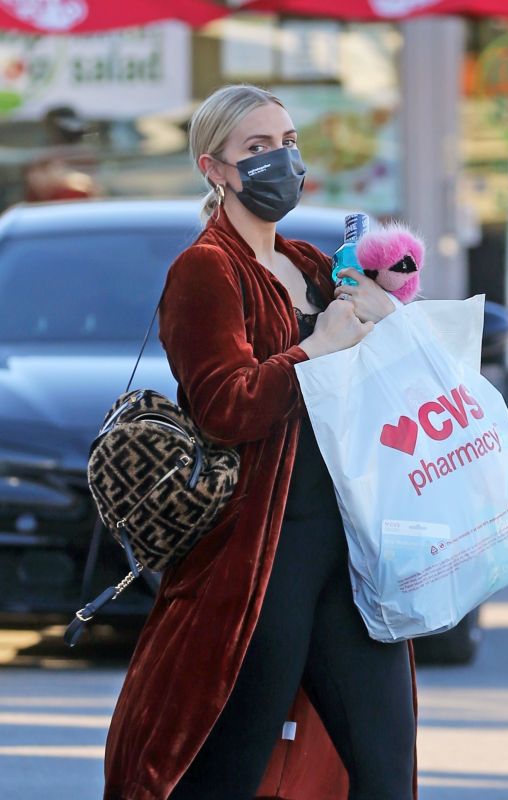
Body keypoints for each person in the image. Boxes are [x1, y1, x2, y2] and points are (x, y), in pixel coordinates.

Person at [103, 84, 417, 800]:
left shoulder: (313, 265)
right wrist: (316, 350)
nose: (282, 159)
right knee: (226, 774)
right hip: (257, 564)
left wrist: (388, 319)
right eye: (257, 148)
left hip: (349, 556)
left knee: (384, 769)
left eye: (288, 142)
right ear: (214, 168)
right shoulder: (205, 271)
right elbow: (222, 410)